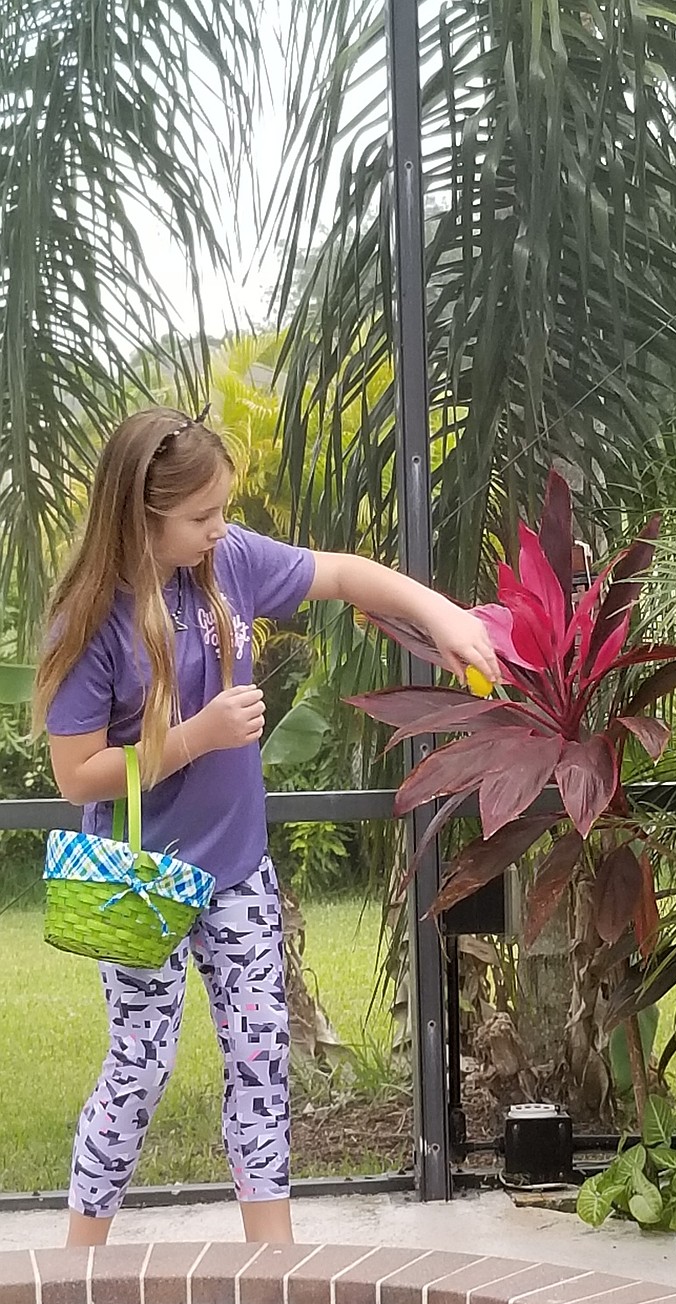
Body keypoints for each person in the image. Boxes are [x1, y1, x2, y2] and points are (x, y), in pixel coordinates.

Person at [33, 406, 500, 1249]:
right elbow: (77, 777)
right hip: (137, 884)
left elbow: (347, 574)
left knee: (260, 1063)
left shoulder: (231, 563)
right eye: (200, 516)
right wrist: (194, 738)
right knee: (138, 1073)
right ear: (142, 512)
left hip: (237, 871)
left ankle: (274, 1267)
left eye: (222, 512)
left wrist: (443, 617)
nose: (220, 529)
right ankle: (77, 1262)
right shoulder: (91, 618)